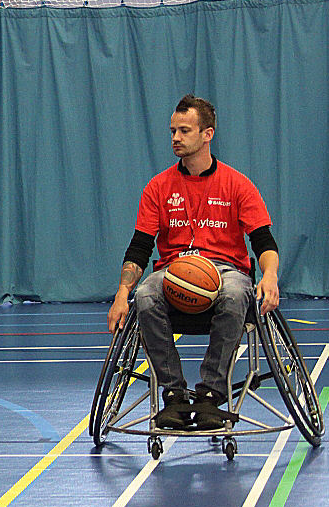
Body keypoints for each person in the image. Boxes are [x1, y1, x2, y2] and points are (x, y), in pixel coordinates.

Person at [107, 94, 281, 431]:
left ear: (207, 134)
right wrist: (121, 294)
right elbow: (140, 248)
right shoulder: (158, 187)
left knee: (236, 293)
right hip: (174, 272)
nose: (175, 137)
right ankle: (174, 394)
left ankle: (211, 395)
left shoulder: (237, 183)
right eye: (173, 131)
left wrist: (270, 276)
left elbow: (263, 241)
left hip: (226, 269)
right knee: (145, 295)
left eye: (184, 131)